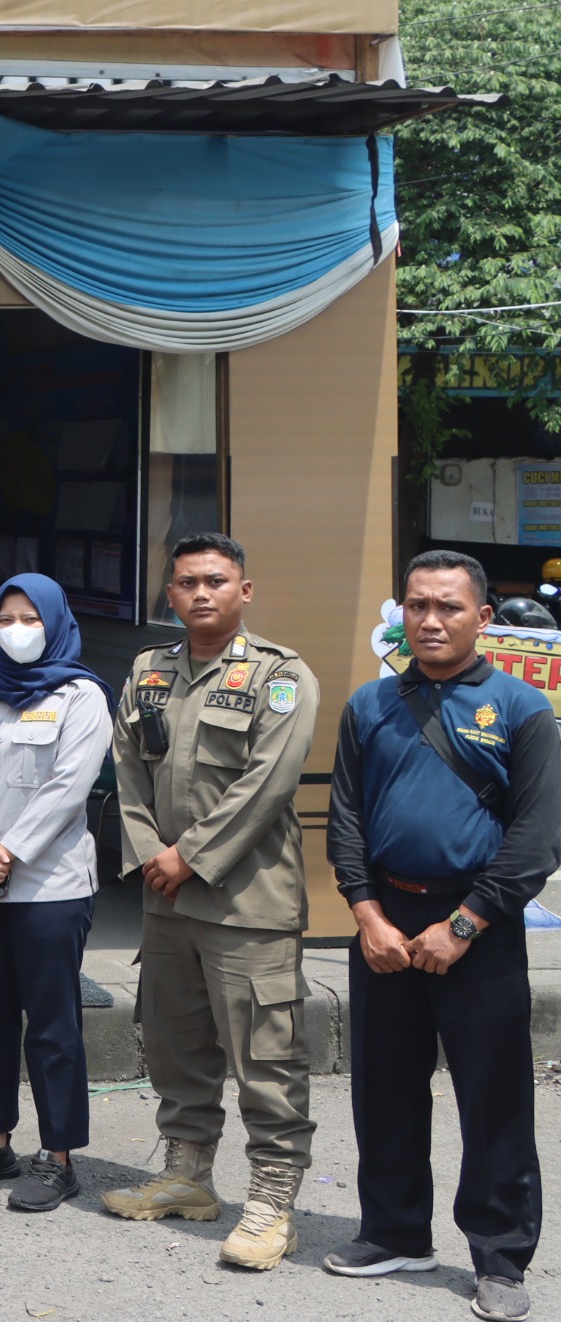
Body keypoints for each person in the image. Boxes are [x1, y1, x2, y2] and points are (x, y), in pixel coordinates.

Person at [326, 550, 561, 1320]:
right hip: (386, 922)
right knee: (384, 1085)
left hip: (478, 927)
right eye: (418, 605)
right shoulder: (369, 705)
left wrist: (463, 926)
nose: (431, 620)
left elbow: (535, 839)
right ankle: (393, 1230)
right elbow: (347, 821)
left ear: (483, 618)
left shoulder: (522, 709)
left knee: (492, 1098)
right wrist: (367, 914)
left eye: (450, 607)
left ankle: (499, 1256)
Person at [101, 532, 320, 1272]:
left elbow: (270, 782)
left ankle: (273, 1202)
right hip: (168, 901)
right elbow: (127, 769)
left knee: (265, 1055)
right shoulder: (148, 671)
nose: (201, 593)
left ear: (244, 592)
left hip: (247, 902)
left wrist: (189, 856)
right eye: (187, 582)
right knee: (174, 1042)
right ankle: (188, 1175)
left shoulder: (278, 677)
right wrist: (148, 857)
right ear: (169, 594)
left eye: (216, 581)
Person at [0, 573, 111, 1213]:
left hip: (49, 887)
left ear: (55, 621)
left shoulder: (82, 696)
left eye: (30, 618)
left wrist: (3, 855)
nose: (16, 629)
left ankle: (58, 1157)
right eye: (7, 617)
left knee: (52, 1023)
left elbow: (70, 787)